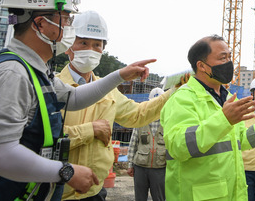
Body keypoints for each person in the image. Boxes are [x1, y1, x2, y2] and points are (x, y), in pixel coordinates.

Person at [0, 0, 154, 201]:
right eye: (67, 19)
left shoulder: (35, 70)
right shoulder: (12, 74)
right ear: (41, 24)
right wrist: (65, 171)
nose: (70, 26)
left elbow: (73, 97)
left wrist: (120, 75)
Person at [53, 10, 184, 200]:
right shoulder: (52, 87)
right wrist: (91, 130)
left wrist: (173, 91)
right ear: (67, 46)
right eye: (83, 43)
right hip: (57, 190)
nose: (91, 49)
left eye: (97, 45)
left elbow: (138, 115)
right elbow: (42, 137)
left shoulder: (109, 91)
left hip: (94, 191)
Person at [160, 35, 255, 201]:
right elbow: (179, 146)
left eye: (230, 56)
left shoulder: (227, 98)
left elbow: (243, 139)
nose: (229, 63)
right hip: (199, 195)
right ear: (201, 66)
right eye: (223, 58)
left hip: (232, 193)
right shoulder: (182, 99)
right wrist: (224, 120)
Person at [127, 87, 167, 201]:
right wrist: (130, 165)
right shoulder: (141, 121)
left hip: (160, 168)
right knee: (140, 198)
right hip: (140, 168)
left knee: (160, 198)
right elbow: (133, 142)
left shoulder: (168, 122)